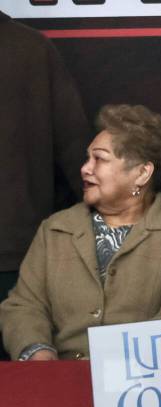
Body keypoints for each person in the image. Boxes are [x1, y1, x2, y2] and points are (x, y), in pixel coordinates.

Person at [0, 104, 161, 360]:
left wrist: (129, 357)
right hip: (61, 374)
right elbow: (23, 305)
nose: (85, 168)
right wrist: (38, 352)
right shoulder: (55, 229)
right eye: (87, 158)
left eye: (99, 159)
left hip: (145, 375)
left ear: (142, 173)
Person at [0, 12, 91, 359]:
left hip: (16, 257)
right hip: (17, 250)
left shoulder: (30, 48)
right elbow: (76, 150)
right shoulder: (31, 46)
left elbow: (77, 152)